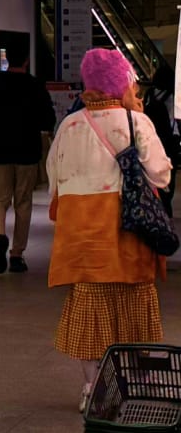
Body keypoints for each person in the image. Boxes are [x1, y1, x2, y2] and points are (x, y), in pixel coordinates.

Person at [48, 47, 171, 412]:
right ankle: (135, 384)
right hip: (128, 235)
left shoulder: (69, 125)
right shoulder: (135, 122)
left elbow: (53, 179)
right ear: (120, 83)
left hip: (82, 238)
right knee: (134, 314)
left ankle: (92, 387)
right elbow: (161, 175)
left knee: (89, 318)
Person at [0, 38, 56, 274]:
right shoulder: (35, 86)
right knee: (23, 202)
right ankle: (17, 255)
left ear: (7, 59)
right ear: (26, 60)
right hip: (27, 151)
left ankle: (0, 237)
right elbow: (49, 120)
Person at [143, 63, 181, 216]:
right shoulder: (172, 96)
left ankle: (155, 207)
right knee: (168, 180)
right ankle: (166, 211)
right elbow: (175, 122)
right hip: (169, 144)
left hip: (151, 140)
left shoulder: (149, 94)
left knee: (152, 177)